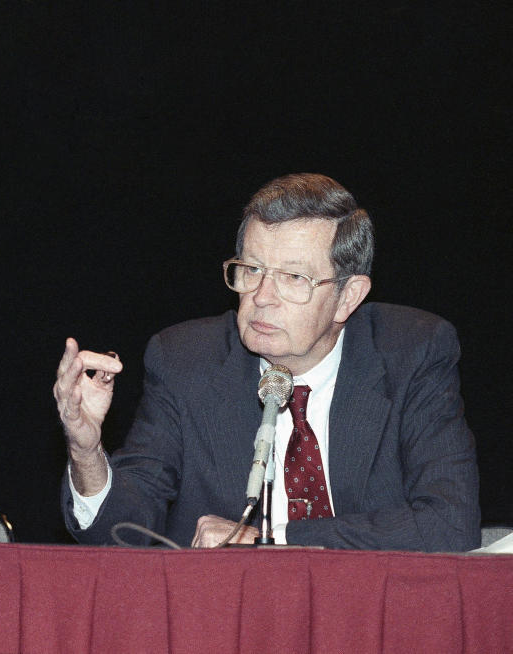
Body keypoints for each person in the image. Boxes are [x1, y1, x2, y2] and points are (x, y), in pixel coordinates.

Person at [54, 173, 480, 551]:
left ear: (347, 297)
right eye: (252, 270)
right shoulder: (185, 362)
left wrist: (273, 540)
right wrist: (86, 452)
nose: (261, 296)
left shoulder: (412, 354)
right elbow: (121, 533)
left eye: (294, 278)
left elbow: (449, 524)